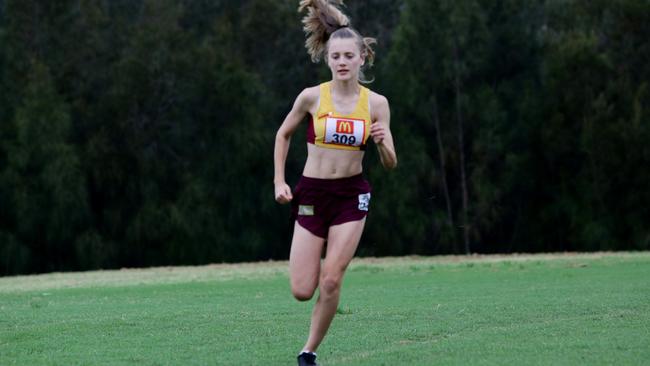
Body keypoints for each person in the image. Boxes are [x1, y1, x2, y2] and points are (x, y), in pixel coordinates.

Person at [273, 1, 397, 365]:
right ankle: (310, 335)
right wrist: (280, 182)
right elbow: (283, 135)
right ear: (328, 59)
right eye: (336, 56)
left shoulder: (377, 104)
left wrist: (383, 143)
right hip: (311, 193)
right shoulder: (312, 97)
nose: (342, 62)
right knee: (301, 290)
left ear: (363, 58)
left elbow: (390, 163)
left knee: (331, 280)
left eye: (349, 56)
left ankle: (308, 352)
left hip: (350, 197)